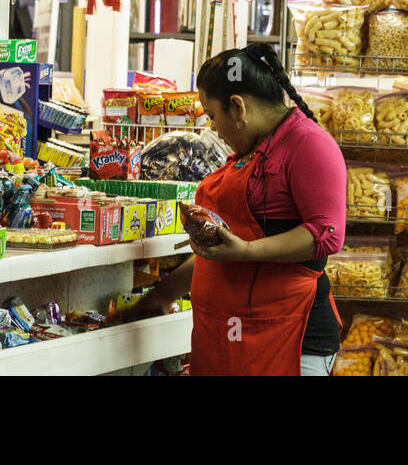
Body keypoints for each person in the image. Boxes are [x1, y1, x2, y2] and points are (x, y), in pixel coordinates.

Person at [122, 44, 347, 376]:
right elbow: (224, 252)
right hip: (231, 337)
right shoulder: (251, 150)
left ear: (238, 107)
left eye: (213, 116)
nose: (213, 128)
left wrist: (246, 250)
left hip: (288, 337)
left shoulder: (309, 145)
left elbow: (326, 235)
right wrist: (164, 294)